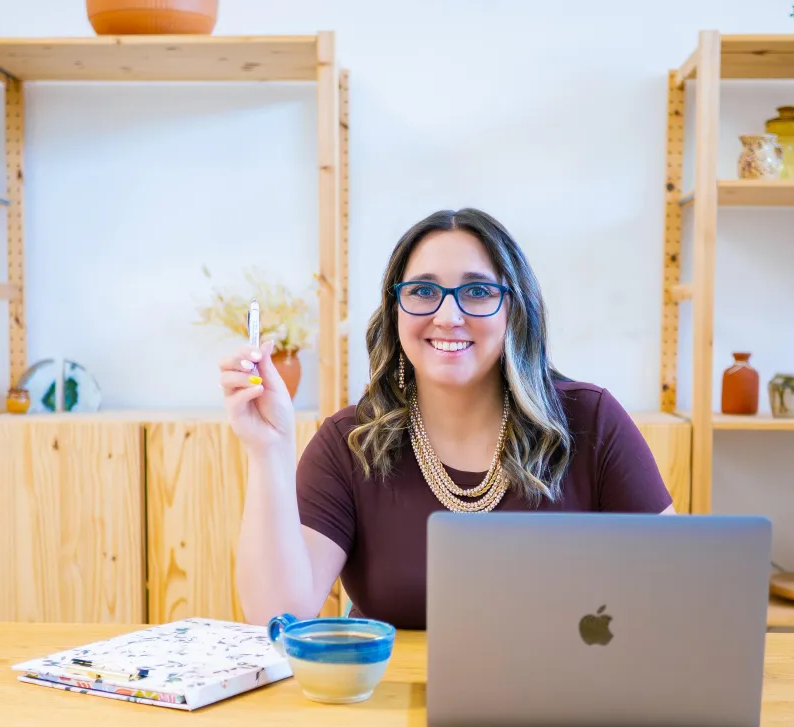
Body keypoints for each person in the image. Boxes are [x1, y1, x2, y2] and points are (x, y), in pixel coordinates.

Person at [219, 208, 674, 630]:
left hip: (562, 704)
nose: (448, 315)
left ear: (514, 310)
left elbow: (675, 590)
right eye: (423, 291)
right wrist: (268, 450)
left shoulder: (590, 421)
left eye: (477, 291)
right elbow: (275, 619)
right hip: (387, 707)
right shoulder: (349, 442)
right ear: (396, 310)